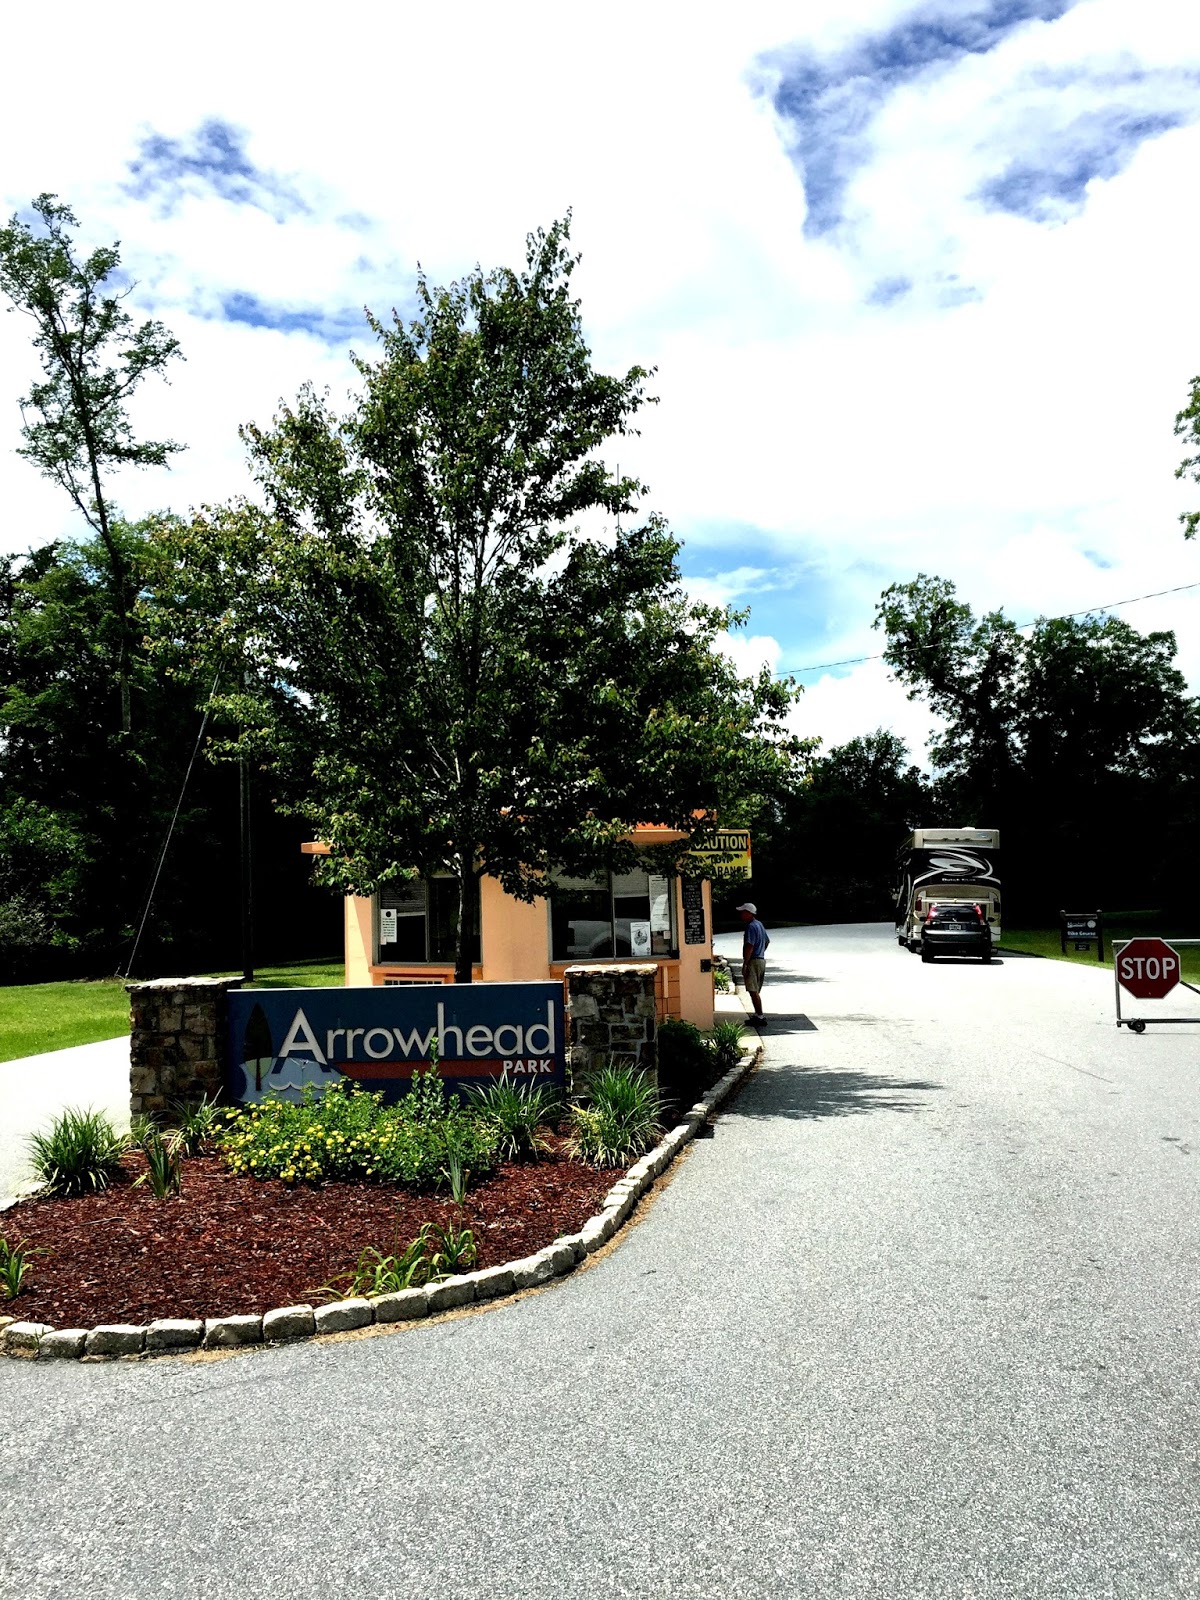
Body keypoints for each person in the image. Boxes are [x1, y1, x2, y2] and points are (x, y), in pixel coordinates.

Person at [736, 901, 770, 1022]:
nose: (741, 915)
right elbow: (767, 941)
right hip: (761, 960)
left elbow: (749, 946)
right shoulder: (759, 924)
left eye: (743, 912)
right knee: (755, 989)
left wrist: (745, 963)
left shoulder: (751, 926)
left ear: (749, 913)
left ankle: (760, 1015)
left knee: (753, 990)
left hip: (753, 961)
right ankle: (758, 1015)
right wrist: (760, 951)